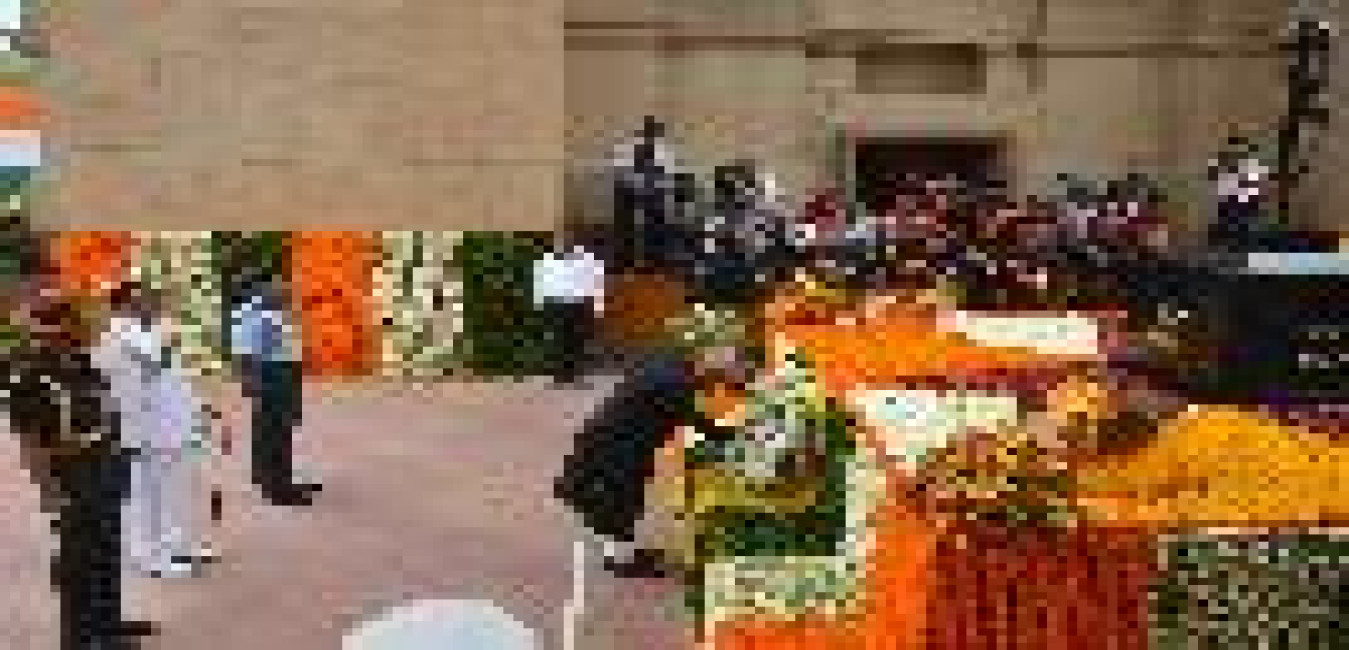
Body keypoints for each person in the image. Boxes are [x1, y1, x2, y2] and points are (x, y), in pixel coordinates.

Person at [4, 272, 157, 649]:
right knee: (78, 563)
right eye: (61, 317)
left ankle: (108, 625)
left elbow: (105, 409)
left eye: (71, 316)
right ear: (44, 327)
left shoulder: (81, 363)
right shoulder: (30, 377)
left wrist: (117, 452)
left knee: (107, 549)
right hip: (71, 473)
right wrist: (50, 493)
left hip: (104, 463)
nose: (74, 324)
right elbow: (31, 443)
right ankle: (79, 638)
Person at [555, 338, 756, 579]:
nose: (724, 388)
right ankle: (621, 558)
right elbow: (702, 424)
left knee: (620, 495)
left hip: (612, 439)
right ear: (715, 373)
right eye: (728, 381)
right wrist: (742, 439)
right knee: (617, 495)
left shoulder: (674, 369)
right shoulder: (677, 386)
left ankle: (622, 553)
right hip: (615, 446)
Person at [93, 281, 218, 577]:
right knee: (146, 494)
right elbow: (153, 366)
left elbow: (173, 377)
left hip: (168, 426)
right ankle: (149, 556)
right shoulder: (120, 334)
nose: (154, 303)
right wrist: (167, 334)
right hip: (145, 430)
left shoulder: (147, 332)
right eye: (146, 299)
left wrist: (198, 408)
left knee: (172, 490)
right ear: (126, 304)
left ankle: (174, 545)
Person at [228, 272, 320, 506]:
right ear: (263, 288)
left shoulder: (271, 310)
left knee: (278, 427)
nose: (285, 290)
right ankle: (278, 488)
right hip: (270, 374)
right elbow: (244, 351)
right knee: (275, 430)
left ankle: (274, 478)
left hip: (281, 372)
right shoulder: (253, 313)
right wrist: (250, 380)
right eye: (279, 286)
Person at [531, 235, 605, 386]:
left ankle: (568, 372)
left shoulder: (579, 259)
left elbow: (595, 283)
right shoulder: (581, 259)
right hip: (569, 303)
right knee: (569, 339)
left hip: (570, 303)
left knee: (570, 339)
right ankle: (568, 371)